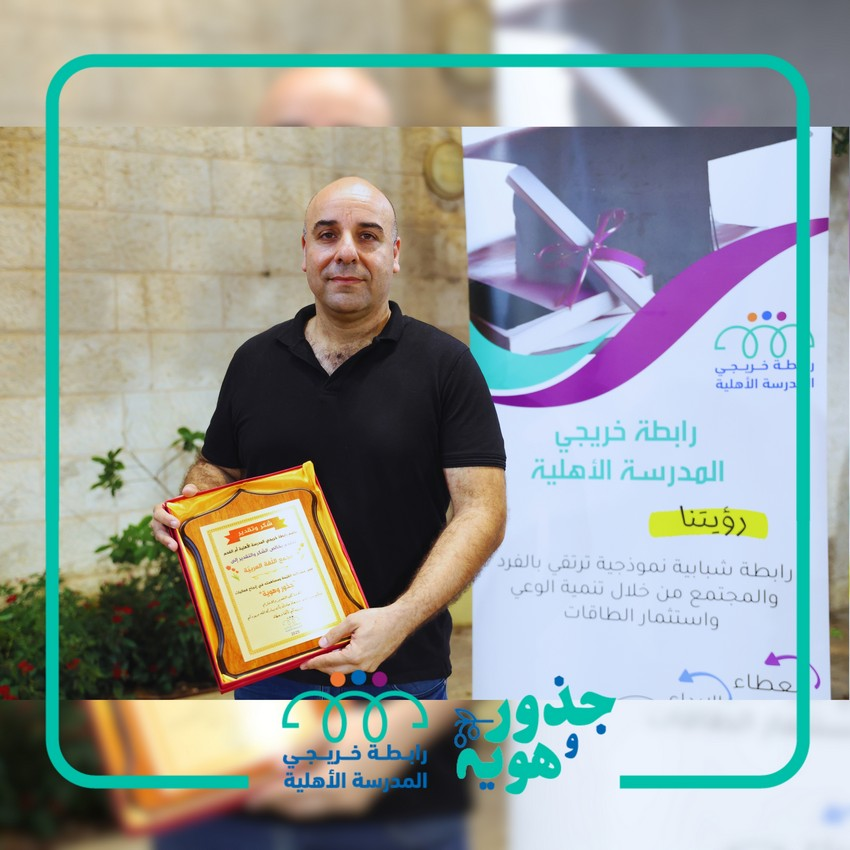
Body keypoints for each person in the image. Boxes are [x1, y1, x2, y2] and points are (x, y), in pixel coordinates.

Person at [151, 176, 507, 699]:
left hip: (398, 673)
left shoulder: (446, 367)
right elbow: (218, 467)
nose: (345, 252)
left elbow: (482, 511)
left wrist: (398, 619)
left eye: (367, 236)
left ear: (394, 254)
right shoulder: (254, 362)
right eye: (327, 234)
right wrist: (190, 505)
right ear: (305, 252)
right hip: (268, 672)